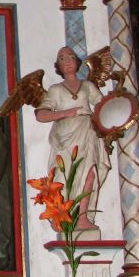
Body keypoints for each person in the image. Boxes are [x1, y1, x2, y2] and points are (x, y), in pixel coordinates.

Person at [34, 47, 110, 230]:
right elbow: (41, 115)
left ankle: (82, 217)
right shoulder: (56, 89)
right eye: (62, 58)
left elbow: (104, 106)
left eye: (70, 57)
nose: (67, 61)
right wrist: (65, 113)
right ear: (58, 66)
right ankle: (63, 216)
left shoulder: (87, 86)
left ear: (77, 62)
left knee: (90, 172)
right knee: (64, 175)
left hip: (87, 131)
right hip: (65, 136)